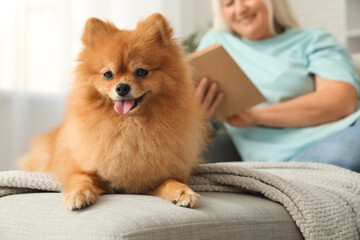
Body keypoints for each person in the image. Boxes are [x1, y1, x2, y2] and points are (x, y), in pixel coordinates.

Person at [196, 0, 360, 172]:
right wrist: (198, 116)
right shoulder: (216, 45)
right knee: (345, 151)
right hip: (290, 161)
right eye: (229, 3)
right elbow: (203, 127)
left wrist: (256, 115)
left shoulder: (313, 40)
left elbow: (341, 101)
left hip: (348, 128)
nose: (240, 9)